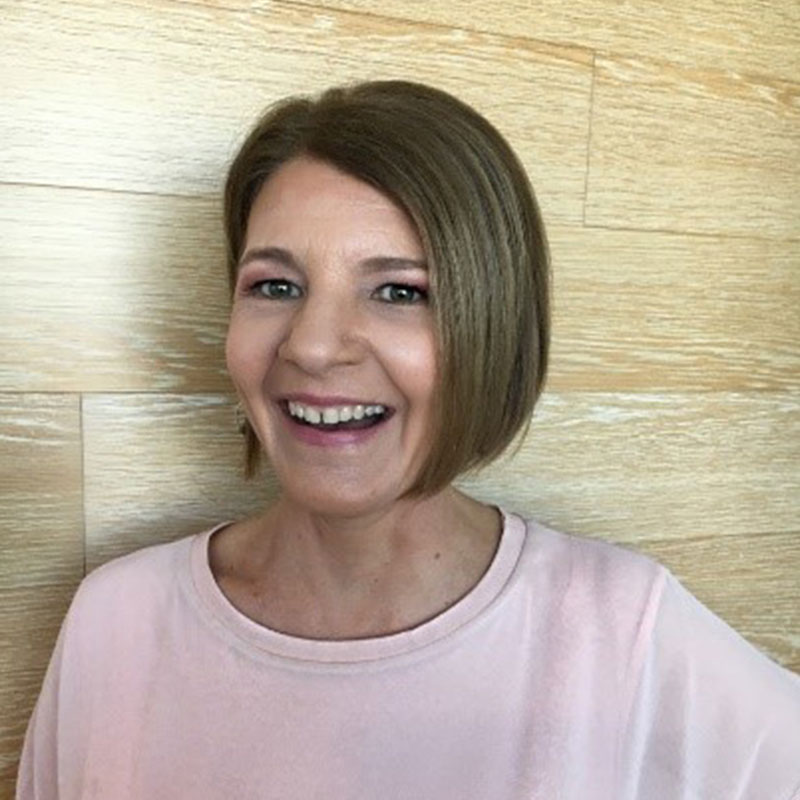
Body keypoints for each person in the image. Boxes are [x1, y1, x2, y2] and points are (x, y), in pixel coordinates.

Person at [16, 80, 800, 799]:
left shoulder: (623, 632)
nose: (312, 346)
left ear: (493, 326)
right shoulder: (114, 624)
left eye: (399, 290)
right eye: (275, 285)